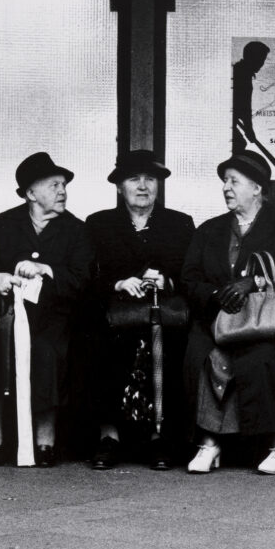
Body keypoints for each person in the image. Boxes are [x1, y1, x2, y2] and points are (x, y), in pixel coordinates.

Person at [180, 150, 275, 475]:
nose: (226, 187)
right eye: (224, 181)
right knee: (200, 352)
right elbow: (189, 278)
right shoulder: (209, 230)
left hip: (265, 326)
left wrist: (253, 282)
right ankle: (209, 443)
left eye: (234, 181)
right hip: (217, 321)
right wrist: (216, 294)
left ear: (257, 188)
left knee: (261, 358)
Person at [0, 151, 94, 467]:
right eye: (54, 185)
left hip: (54, 317)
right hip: (4, 314)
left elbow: (84, 278)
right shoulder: (3, 225)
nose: (62, 191)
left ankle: (45, 439)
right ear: (30, 193)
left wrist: (48, 271)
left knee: (47, 351)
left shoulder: (75, 230)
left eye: (64, 185)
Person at [85, 150, 196, 470]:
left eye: (150, 179)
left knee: (175, 347)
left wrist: (166, 280)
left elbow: (191, 273)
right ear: (120, 187)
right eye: (134, 179)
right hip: (115, 314)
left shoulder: (180, 223)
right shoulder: (99, 224)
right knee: (99, 344)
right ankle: (110, 436)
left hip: (165, 313)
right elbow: (88, 276)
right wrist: (120, 283)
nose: (143, 186)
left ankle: (159, 437)